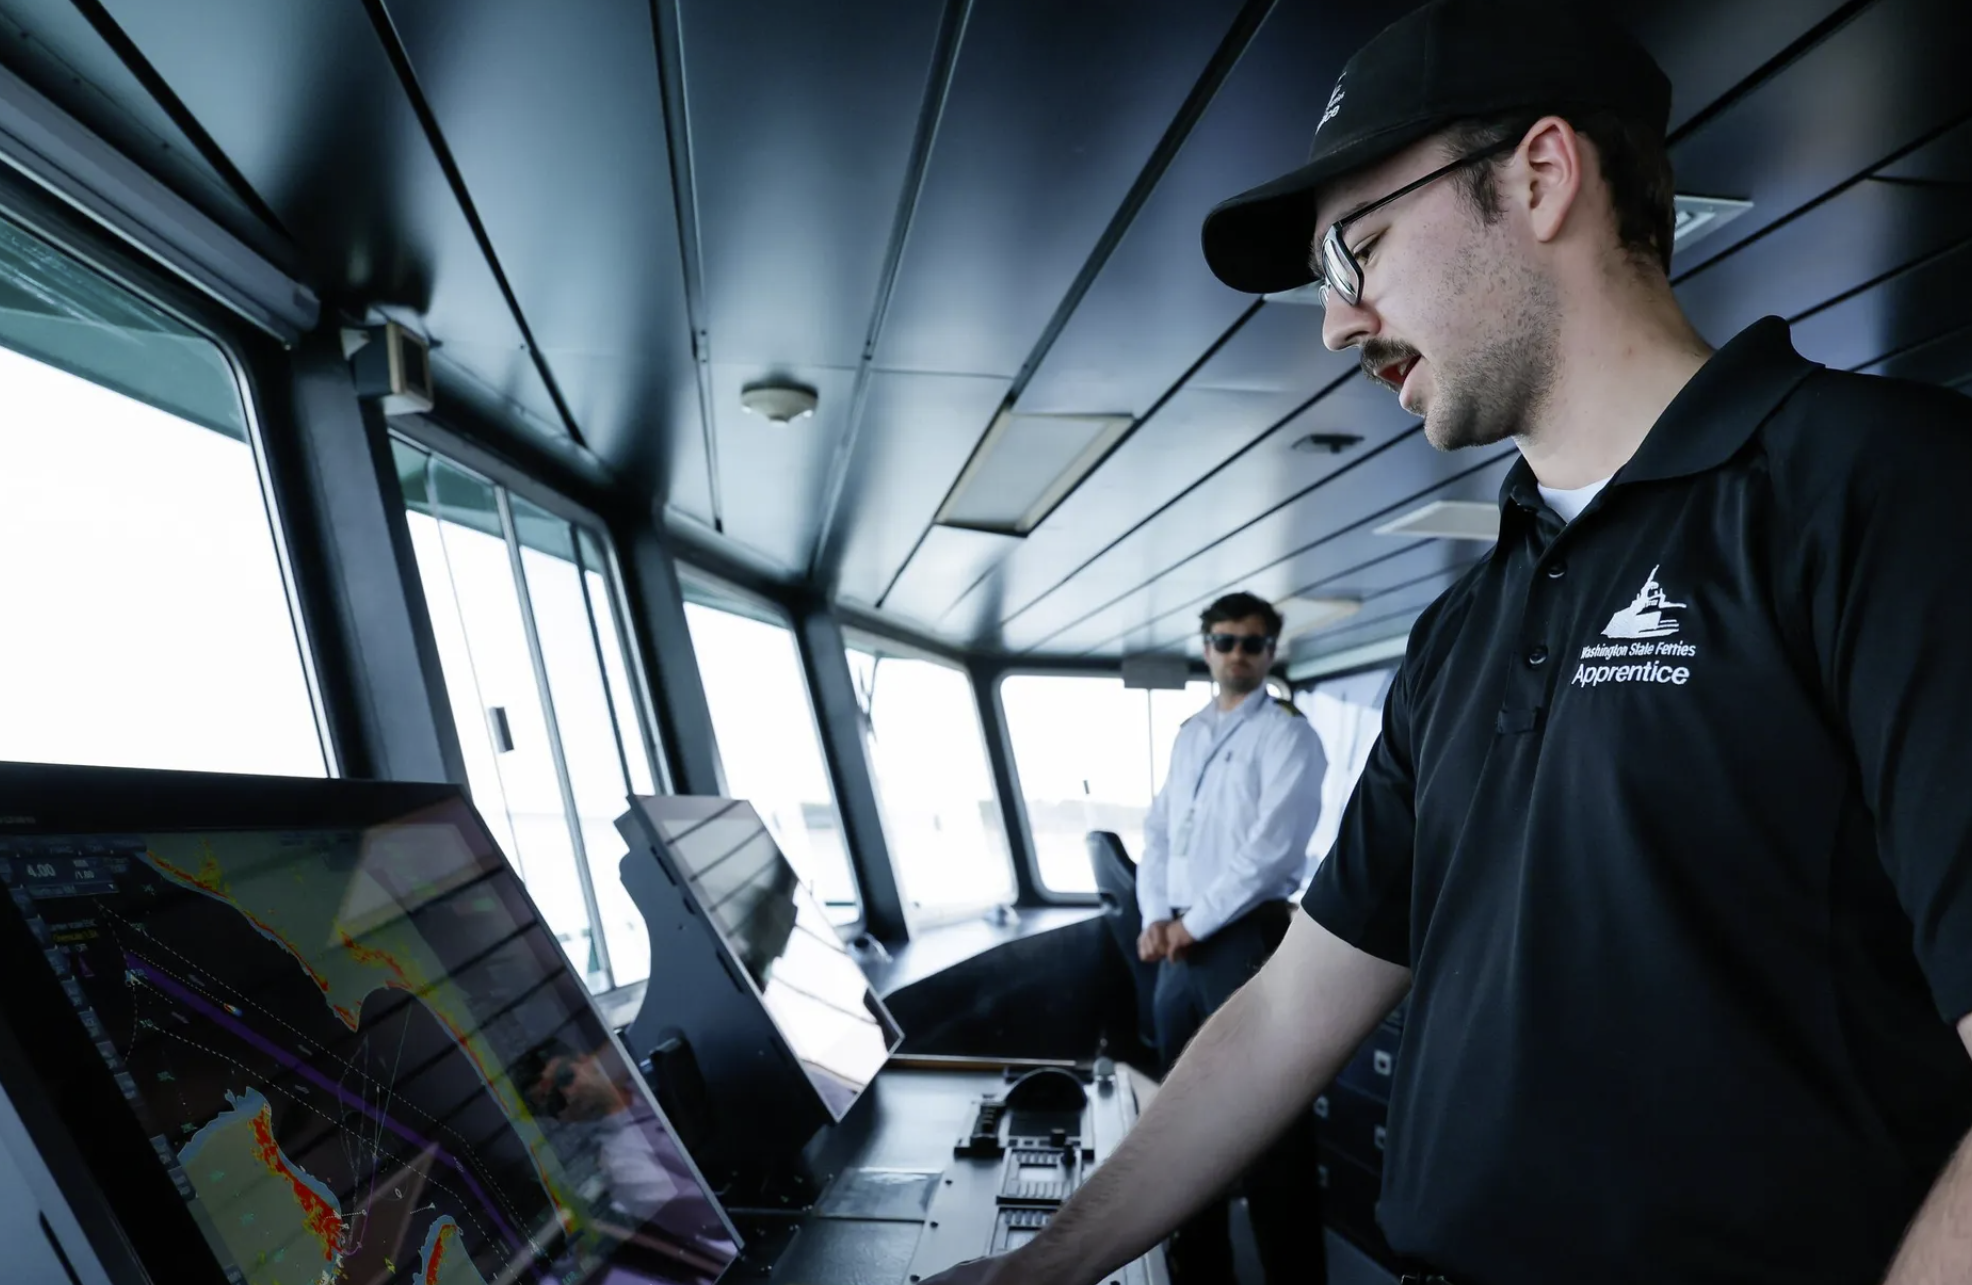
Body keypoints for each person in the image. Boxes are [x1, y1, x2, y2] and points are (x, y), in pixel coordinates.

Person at [922, 1, 1972, 1283]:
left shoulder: (1884, 495)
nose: (1335, 323)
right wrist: (1034, 1268)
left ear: (1539, 177)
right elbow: (1290, 1012)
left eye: (1355, 253)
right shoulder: (1464, 630)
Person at [1134, 591, 1326, 1283]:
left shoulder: (1289, 736)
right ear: (1206, 646)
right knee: (1181, 1126)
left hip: (1243, 939)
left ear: (1271, 651)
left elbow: (1271, 853)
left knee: (1264, 1127)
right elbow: (1158, 833)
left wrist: (1189, 922)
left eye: (1251, 642)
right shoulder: (1189, 734)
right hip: (1179, 950)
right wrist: (1155, 914)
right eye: (1224, 640)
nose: (1236, 653)